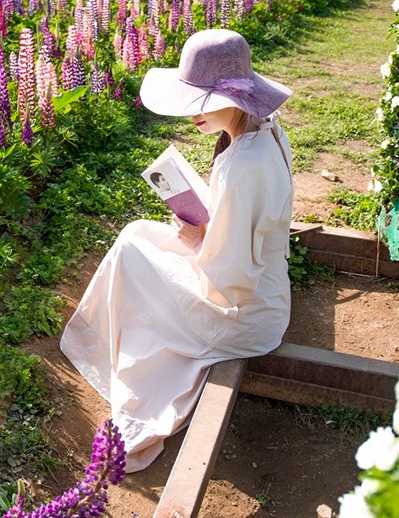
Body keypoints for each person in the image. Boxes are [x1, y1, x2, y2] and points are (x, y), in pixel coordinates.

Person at [60, 29, 294, 472]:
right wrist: (206, 227)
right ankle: (129, 342)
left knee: (133, 256)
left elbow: (230, 281)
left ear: (232, 97)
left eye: (200, 102)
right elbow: (245, 230)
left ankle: (132, 359)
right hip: (262, 289)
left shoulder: (243, 166)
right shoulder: (264, 134)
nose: (192, 116)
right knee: (137, 233)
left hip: (245, 315)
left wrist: (197, 237)